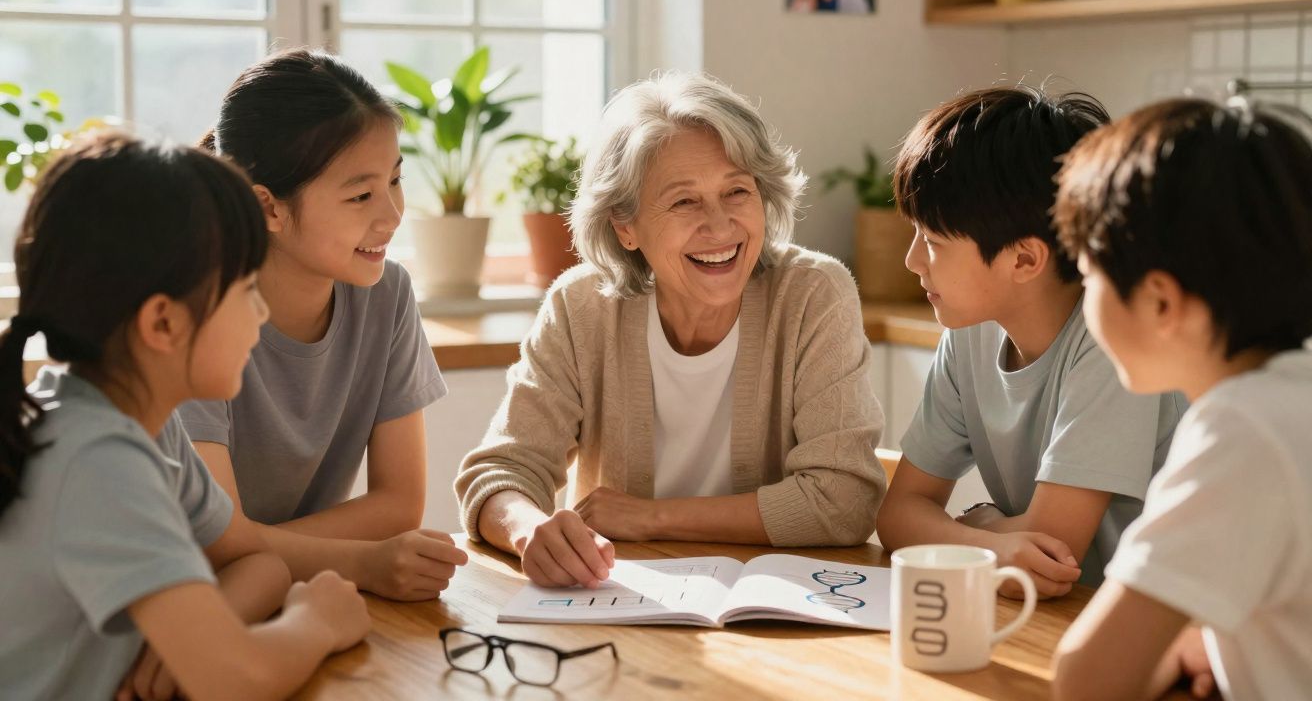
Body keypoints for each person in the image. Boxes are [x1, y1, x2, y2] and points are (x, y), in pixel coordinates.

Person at [456, 72, 886, 588]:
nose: (720, 226)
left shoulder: (813, 295)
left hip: (773, 606)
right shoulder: (580, 306)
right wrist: (530, 531)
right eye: (685, 201)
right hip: (617, 598)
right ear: (625, 225)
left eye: (737, 191)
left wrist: (650, 517)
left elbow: (844, 501)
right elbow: (499, 473)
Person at [0, 134, 370, 700]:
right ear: (163, 324)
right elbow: (239, 680)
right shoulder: (98, 461)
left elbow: (254, 558)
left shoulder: (142, 427)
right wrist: (318, 620)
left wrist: (199, 635)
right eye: (247, 288)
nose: (262, 312)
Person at [875, 85, 1188, 598]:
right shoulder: (970, 331)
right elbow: (897, 516)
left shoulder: (1112, 344)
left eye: (932, 242)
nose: (912, 261)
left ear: (1023, 259)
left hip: (1148, 618)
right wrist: (993, 545)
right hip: (1054, 613)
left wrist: (976, 527)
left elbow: (1052, 556)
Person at [182, 48, 466, 602]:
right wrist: (361, 562)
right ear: (268, 208)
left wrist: (258, 550)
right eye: (361, 195)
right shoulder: (196, 311)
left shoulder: (386, 293)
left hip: (287, 594)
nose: (392, 215)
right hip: (184, 607)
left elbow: (399, 505)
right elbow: (216, 542)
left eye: (395, 181)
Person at [1051, 98, 1312, 701]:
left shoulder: (1240, 430)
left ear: (1160, 302)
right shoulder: (1290, 400)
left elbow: (1085, 681)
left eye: (1088, 278)